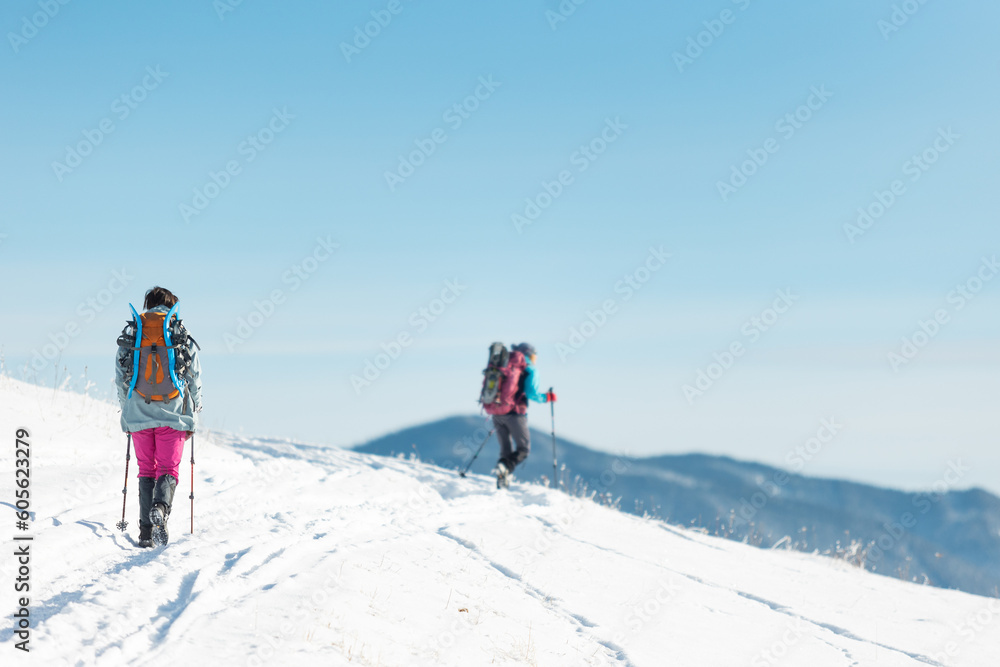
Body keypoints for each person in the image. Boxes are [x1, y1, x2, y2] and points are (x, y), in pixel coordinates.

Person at [115, 286, 202, 547]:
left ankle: (145, 533)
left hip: (139, 411)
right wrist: (194, 414)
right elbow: (193, 377)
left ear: (148, 304)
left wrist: (128, 410)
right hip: (173, 412)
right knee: (168, 468)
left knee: (146, 470)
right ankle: (161, 510)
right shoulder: (180, 334)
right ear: (172, 304)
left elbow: (121, 377)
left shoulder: (134, 333)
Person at [494, 342, 556, 488]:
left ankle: (503, 480)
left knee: (506, 449)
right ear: (528, 355)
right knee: (523, 449)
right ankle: (504, 467)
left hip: (497, 411)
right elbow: (531, 393)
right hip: (516, 413)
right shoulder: (530, 370)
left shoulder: (504, 366)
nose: (534, 360)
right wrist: (547, 397)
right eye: (534, 356)